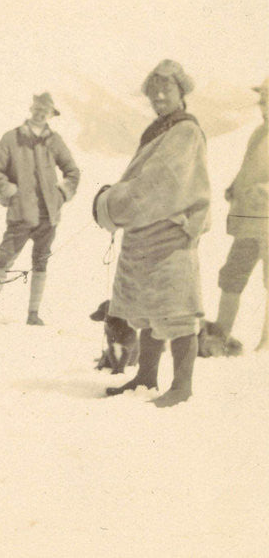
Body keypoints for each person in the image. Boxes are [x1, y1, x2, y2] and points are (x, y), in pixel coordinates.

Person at [95, 59, 211, 408]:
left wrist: (108, 203)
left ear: (181, 91)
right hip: (145, 232)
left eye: (167, 88)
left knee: (175, 310)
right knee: (146, 307)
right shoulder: (161, 129)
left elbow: (158, 185)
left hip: (170, 233)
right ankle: (145, 377)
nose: (159, 95)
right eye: (153, 90)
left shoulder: (185, 131)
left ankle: (182, 386)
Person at [0, 93, 80, 325]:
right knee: (3, 261)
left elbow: (73, 172)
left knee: (41, 262)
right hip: (21, 214)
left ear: (51, 114)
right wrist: (11, 192)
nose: (41, 114)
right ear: (31, 109)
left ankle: (33, 314)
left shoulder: (55, 140)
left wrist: (61, 195)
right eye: (38, 109)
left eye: (46, 110)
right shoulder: (11, 139)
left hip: (48, 217)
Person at [207, 77, 269, 354]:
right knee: (232, 274)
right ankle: (221, 334)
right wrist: (235, 186)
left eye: (267, 98)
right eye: (263, 98)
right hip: (248, 220)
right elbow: (249, 168)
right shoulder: (259, 133)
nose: (263, 105)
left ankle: (267, 343)